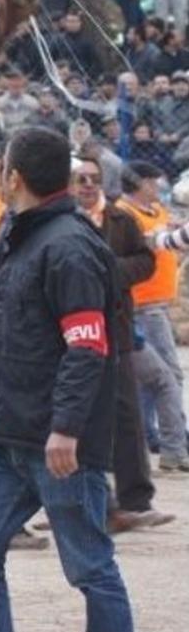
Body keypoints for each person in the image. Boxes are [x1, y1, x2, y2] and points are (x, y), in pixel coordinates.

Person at [0, 127, 143, 632]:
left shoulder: (69, 246)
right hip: (7, 439)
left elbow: (87, 347)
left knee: (90, 569)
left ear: (13, 177)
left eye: (4, 168)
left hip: (61, 445)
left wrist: (65, 428)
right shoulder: (19, 232)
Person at [69, 156, 175, 532]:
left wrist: (111, 272)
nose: (88, 185)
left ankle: (136, 500)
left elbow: (146, 263)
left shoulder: (120, 220)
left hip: (116, 329)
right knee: (72, 416)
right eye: (80, 179)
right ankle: (71, 503)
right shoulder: (61, 223)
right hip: (72, 334)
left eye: (94, 179)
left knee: (127, 415)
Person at [115, 160, 189, 472]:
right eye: (152, 181)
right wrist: (164, 237)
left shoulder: (156, 211)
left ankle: (154, 437)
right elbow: (147, 244)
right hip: (142, 303)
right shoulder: (124, 213)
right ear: (140, 183)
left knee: (151, 378)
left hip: (157, 302)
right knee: (168, 375)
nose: (158, 186)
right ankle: (174, 445)